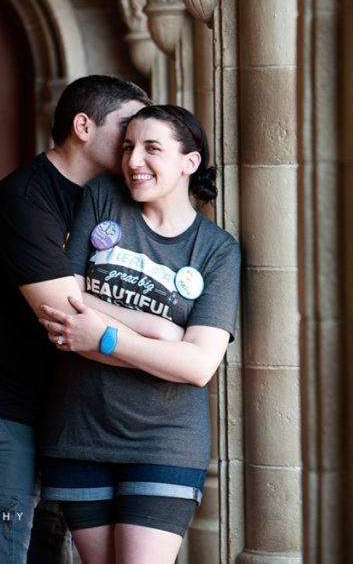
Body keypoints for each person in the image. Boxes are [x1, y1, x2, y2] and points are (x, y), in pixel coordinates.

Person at [0, 74, 157, 563]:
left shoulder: (103, 202)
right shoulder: (25, 202)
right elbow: (68, 317)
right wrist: (165, 341)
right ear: (83, 126)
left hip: (62, 419)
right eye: (127, 128)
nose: (136, 146)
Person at [37, 104, 241, 564]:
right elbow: (66, 306)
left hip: (164, 440)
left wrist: (105, 338)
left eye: (152, 148)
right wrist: (158, 332)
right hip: (79, 432)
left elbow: (197, 366)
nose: (132, 161)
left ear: (190, 162)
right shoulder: (103, 197)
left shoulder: (216, 251)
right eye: (128, 147)